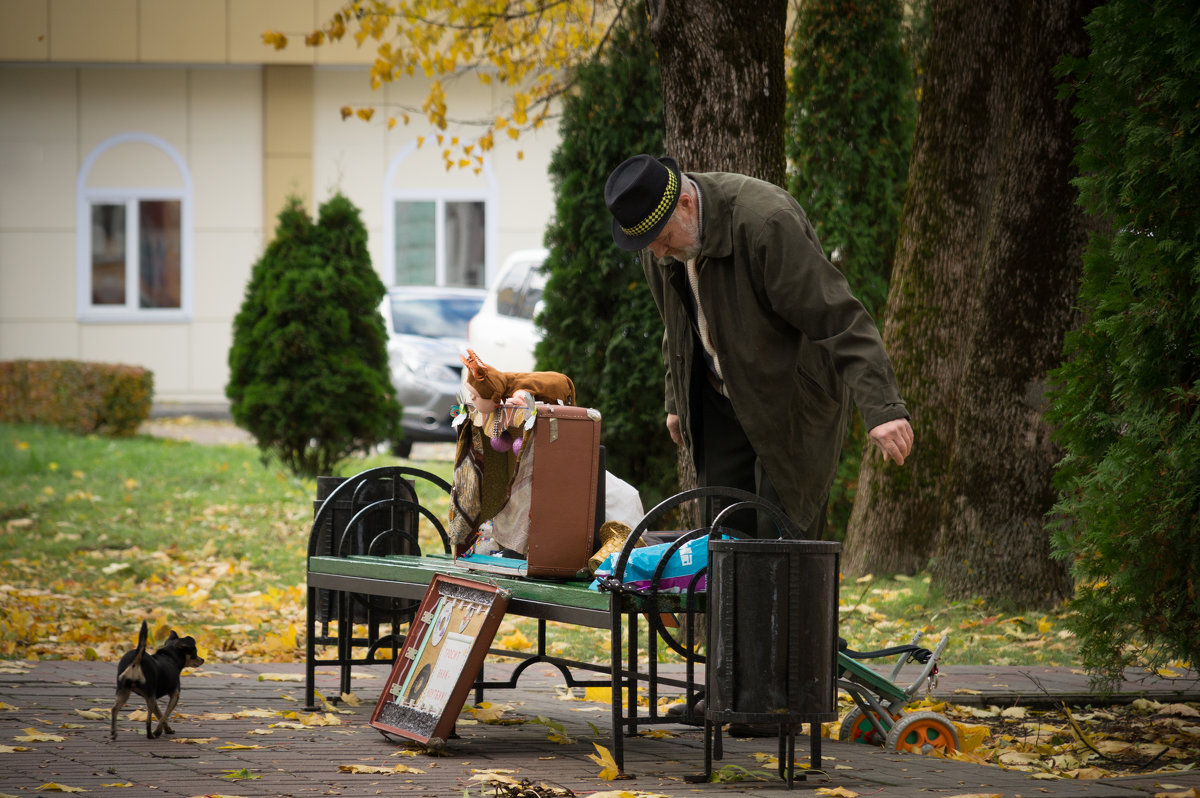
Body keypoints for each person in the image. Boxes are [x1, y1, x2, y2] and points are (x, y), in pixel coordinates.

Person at [604, 154, 913, 539]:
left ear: (686, 203)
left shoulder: (766, 222)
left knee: (781, 544)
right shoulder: (660, 244)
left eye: (664, 240)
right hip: (719, 402)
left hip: (789, 401)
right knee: (722, 540)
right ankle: (732, 603)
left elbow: (839, 317)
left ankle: (786, 602)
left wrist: (883, 409)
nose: (659, 254)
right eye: (649, 246)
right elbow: (677, 324)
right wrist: (675, 402)